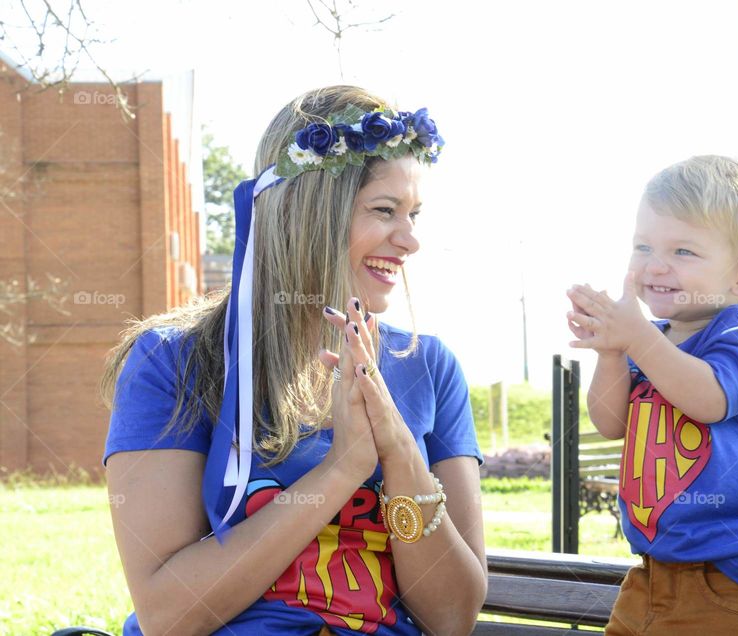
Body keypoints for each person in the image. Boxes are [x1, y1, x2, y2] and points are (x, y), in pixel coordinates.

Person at [101, 86, 486, 636]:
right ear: (312, 213)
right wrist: (343, 468)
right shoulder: (172, 361)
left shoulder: (431, 367)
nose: (410, 241)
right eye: (384, 211)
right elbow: (169, 614)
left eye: (414, 215)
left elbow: (453, 619)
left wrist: (398, 451)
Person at [566, 155, 738, 635]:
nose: (655, 265)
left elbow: (709, 399)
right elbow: (611, 423)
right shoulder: (650, 340)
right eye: (643, 246)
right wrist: (611, 353)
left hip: (730, 578)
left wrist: (636, 339)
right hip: (652, 571)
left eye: (683, 252)